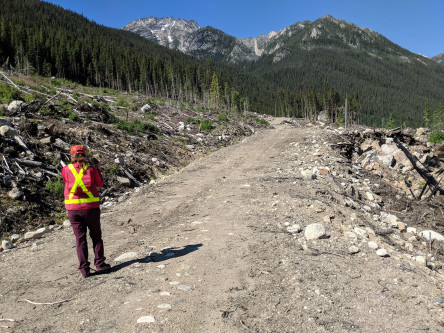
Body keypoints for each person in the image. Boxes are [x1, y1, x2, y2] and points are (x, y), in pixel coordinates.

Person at [62, 145, 110, 278]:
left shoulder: (66, 169)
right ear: (84, 155)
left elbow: (67, 181)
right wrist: (98, 169)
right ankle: (100, 263)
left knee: (80, 239)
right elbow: (100, 184)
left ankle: (84, 270)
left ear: (71, 156)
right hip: (91, 208)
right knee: (96, 236)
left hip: (73, 210)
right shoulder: (91, 169)